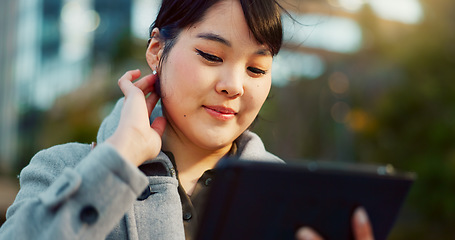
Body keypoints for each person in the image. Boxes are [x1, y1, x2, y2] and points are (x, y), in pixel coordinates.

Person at [0, 0, 374, 239]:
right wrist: (120, 156)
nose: (234, 86)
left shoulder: (296, 199)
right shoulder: (64, 169)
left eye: (256, 69)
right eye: (211, 56)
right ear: (157, 50)